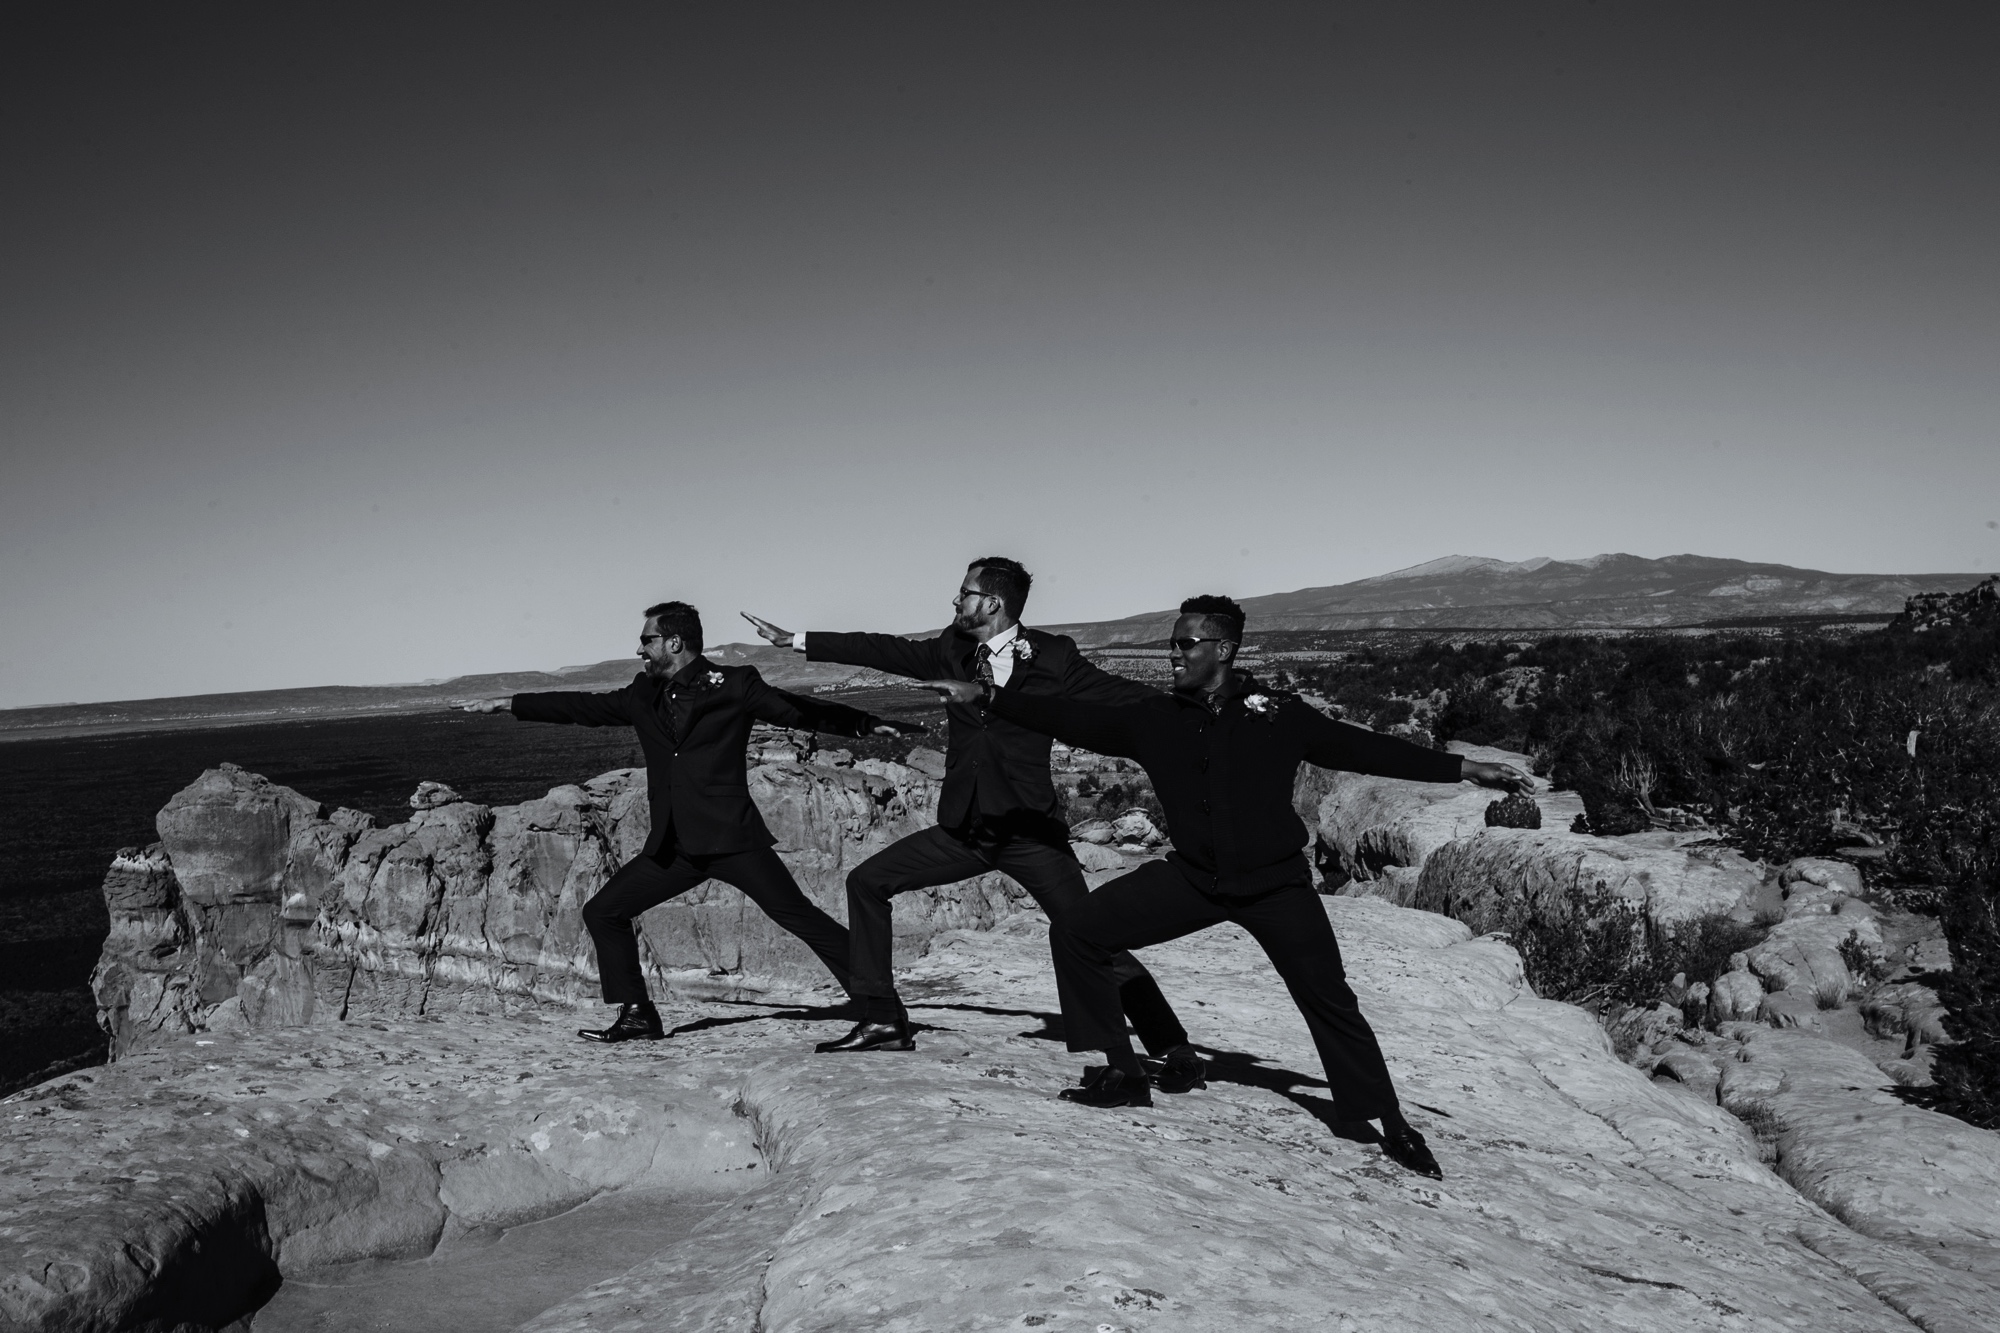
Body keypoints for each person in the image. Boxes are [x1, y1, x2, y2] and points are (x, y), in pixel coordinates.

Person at [916, 594, 1530, 1178]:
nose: (1175, 654)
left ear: (1226, 649)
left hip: (1276, 888)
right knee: (1078, 931)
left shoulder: (1279, 715)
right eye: (1172, 643)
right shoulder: (1153, 720)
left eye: (1187, 643)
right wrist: (987, 696)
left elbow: (1362, 749)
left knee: (1329, 999)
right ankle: (1124, 1073)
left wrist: (1464, 768)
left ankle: (1389, 1123)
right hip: (1193, 881)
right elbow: (1071, 717)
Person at [742, 558, 1202, 1088]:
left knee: (1091, 936)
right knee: (867, 882)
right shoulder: (951, 648)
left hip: (1031, 835)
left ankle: (1172, 1046)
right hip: (964, 830)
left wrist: (1192, 709)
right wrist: (797, 639)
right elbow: (883, 649)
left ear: (991, 603)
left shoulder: (1054, 656)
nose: (954, 602)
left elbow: (1118, 692)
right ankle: (882, 1019)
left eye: (964, 594)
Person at [462, 601, 919, 1044]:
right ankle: (638, 1014)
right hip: (674, 847)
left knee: (801, 919)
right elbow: (584, 707)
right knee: (604, 911)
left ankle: (883, 1010)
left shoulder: (734, 683)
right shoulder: (643, 693)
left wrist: (863, 723)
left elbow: (794, 708)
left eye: (647, 640)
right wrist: (511, 703)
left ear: (674, 641)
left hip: (730, 840)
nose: (640, 650)